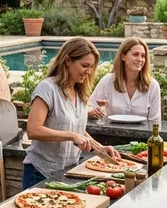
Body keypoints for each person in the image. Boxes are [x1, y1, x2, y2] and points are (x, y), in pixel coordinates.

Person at [23, 37, 120, 190]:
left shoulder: (79, 92)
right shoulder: (47, 88)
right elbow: (33, 130)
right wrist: (71, 136)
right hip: (40, 173)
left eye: (91, 67)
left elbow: (77, 129)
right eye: (84, 66)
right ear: (68, 61)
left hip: (68, 173)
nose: (88, 72)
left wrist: (101, 149)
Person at [88, 37, 161, 123]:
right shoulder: (108, 81)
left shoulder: (153, 85)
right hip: (110, 134)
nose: (140, 59)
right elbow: (89, 106)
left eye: (143, 56)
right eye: (135, 54)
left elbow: (155, 121)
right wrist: (91, 112)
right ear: (123, 56)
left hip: (143, 136)